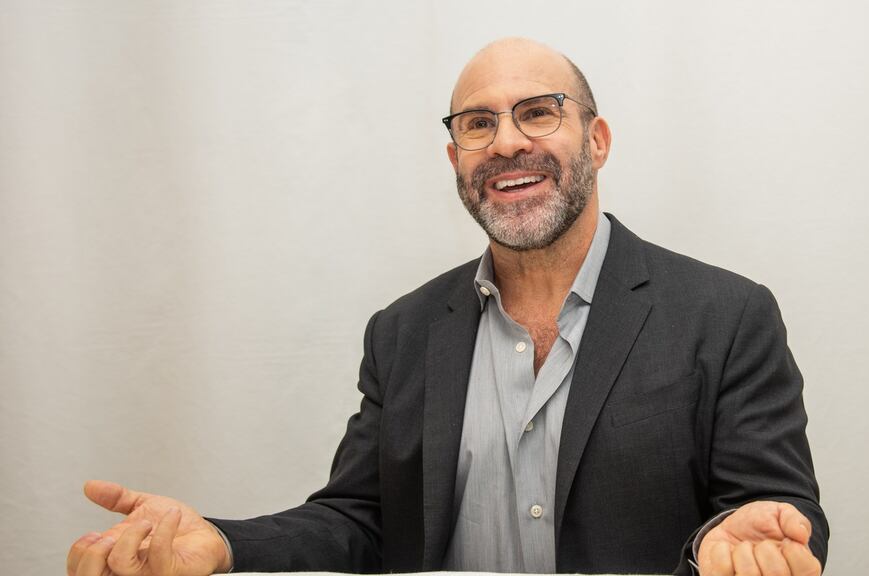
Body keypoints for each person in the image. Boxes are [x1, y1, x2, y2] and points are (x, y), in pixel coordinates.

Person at [67, 38, 828, 576]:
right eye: (477, 124)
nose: (505, 143)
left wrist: (737, 547)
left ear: (596, 140)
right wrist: (223, 547)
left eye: (538, 112)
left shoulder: (725, 316)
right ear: (455, 158)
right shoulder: (401, 333)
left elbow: (778, 514)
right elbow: (356, 523)